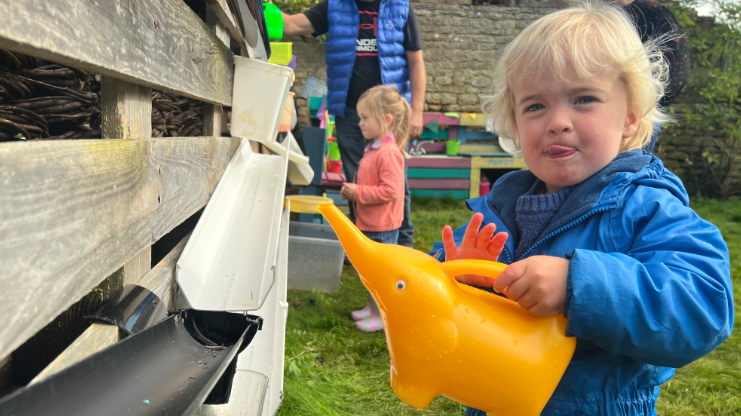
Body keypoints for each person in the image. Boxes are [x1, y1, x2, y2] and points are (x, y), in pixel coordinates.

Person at [429, 3, 733, 415]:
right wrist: (454, 276)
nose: (557, 121)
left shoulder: (644, 204)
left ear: (630, 118)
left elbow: (704, 307)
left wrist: (579, 286)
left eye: (583, 99)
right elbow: (427, 292)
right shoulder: (502, 205)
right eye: (535, 106)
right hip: (494, 400)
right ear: (515, 125)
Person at [281, 0, 426, 248]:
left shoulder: (400, 7)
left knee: (395, 184)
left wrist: (418, 112)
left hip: (391, 117)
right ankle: (363, 245)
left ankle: (403, 246)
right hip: (351, 115)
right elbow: (292, 25)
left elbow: (416, 62)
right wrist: (258, 7)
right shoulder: (335, 6)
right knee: (356, 182)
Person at [340, 85, 409, 332]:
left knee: (380, 276)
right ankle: (372, 309)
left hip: (382, 226)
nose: (360, 123)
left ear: (386, 120)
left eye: (365, 117)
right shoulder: (375, 148)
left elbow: (390, 191)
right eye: (360, 117)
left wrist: (356, 192)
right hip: (370, 222)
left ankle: (382, 316)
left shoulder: (388, 153)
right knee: (371, 273)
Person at [619, 0, 691, 153]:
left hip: (642, 109)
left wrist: (648, 100)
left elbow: (677, 66)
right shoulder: (591, 16)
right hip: (630, 106)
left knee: (634, 166)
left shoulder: (654, 14)